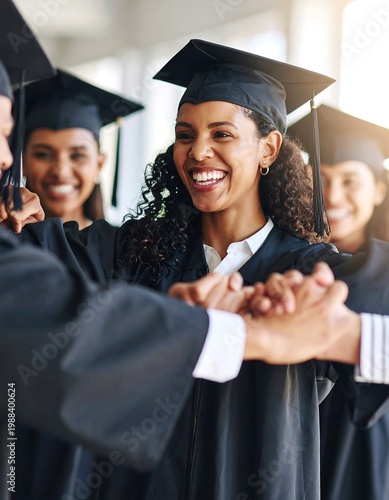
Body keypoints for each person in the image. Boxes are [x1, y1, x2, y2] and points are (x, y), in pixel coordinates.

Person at [18, 39, 389, 499]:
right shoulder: (132, 253)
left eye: (222, 134)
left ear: (269, 148)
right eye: (186, 134)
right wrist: (17, 216)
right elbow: (31, 272)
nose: (198, 153)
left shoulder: (312, 275)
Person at [288, 104, 389, 500]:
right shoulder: (288, 263)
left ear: (380, 189)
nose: (333, 196)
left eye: (351, 181)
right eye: (322, 179)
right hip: (291, 437)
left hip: (367, 442)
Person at [19, 69, 143, 229]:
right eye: (43, 155)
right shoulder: (7, 243)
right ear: (23, 162)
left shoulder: (124, 249)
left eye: (77, 155)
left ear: (99, 164)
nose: (60, 172)